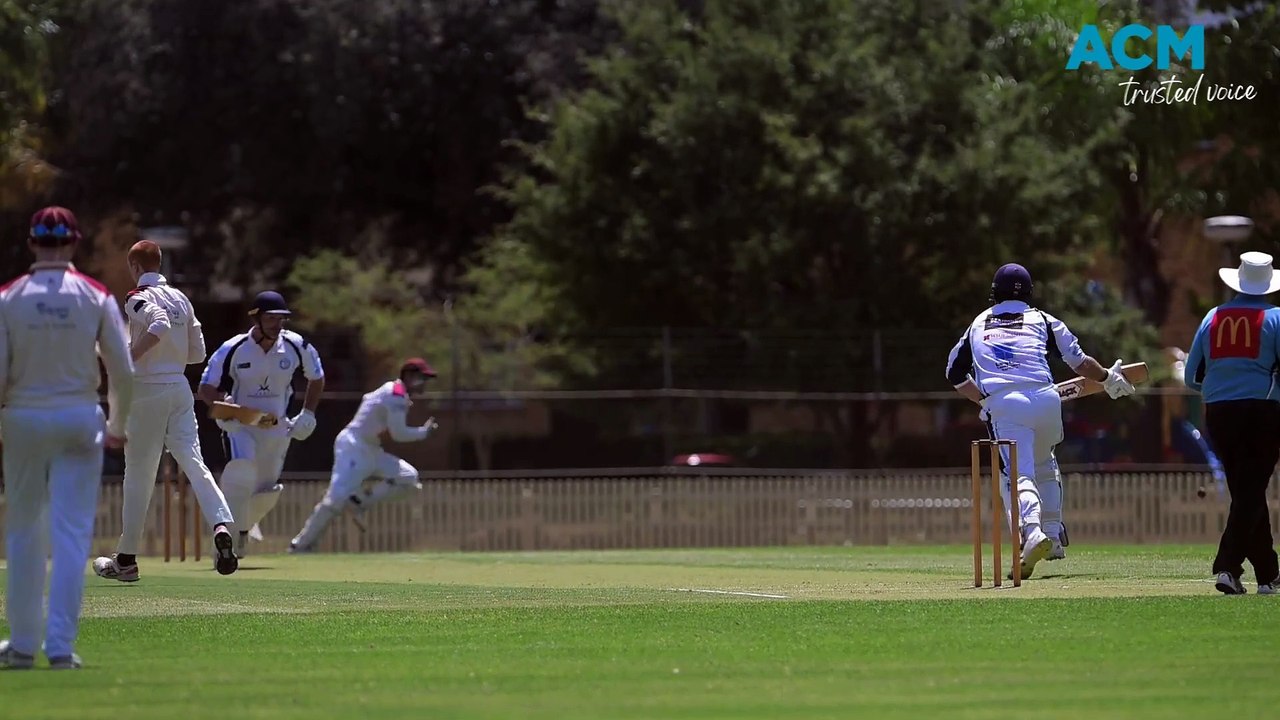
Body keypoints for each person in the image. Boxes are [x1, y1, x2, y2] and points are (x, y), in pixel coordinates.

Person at [0, 206, 133, 670]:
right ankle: (59, 647)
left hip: (23, 417)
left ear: (32, 243)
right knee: (71, 535)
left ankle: (22, 645)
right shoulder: (95, 295)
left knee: (23, 531)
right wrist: (118, 426)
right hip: (79, 415)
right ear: (74, 242)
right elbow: (123, 370)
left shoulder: (8, 297)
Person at [945, 263, 1134, 579]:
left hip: (1005, 404)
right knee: (1045, 465)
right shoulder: (1043, 320)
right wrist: (1108, 378)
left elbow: (954, 373)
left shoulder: (977, 324)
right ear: (1030, 293)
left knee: (1018, 475)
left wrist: (983, 399)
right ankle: (1053, 534)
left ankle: (1032, 533)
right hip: (1047, 400)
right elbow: (1079, 362)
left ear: (994, 293)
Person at [92, 241, 238, 582]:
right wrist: (169, 355)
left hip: (146, 391)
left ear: (135, 266)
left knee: (139, 475)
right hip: (179, 388)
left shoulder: (135, 296)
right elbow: (197, 353)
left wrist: (129, 358)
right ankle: (221, 523)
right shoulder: (181, 298)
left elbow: (157, 324)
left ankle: (126, 560)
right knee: (194, 462)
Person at [197, 290, 325, 558]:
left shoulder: (295, 345)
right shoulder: (234, 347)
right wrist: (224, 408)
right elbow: (206, 387)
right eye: (270, 318)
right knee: (241, 473)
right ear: (256, 318)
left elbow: (317, 377)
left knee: (267, 491)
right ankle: (225, 545)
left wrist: (308, 413)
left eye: (281, 319)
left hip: (276, 427)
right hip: (242, 425)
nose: (277, 325)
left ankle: (242, 531)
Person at [1183, 251, 1280, 595]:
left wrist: (1218, 388)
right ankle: (1227, 565)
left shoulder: (1213, 316)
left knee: (1245, 491)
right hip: (1262, 410)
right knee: (1250, 490)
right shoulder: (1276, 318)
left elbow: (1191, 375)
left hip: (1219, 411)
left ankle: (1268, 574)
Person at [289, 358, 439, 552]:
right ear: (409, 376)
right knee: (335, 500)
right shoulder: (395, 394)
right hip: (353, 447)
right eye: (421, 378)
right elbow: (399, 434)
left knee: (408, 478)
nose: (424, 384)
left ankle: (358, 501)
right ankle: (300, 545)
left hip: (371, 449)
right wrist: (424, 432)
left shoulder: (395, 392)